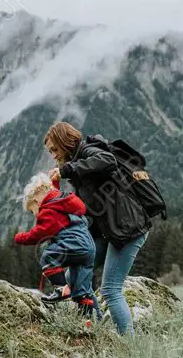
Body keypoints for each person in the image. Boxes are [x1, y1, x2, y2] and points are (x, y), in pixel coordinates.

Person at [45, 121, 151, 336]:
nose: (54, 156)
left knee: (111, 290)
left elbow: (107, 160)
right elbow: (91, 204)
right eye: (50, 152)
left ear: (65, 142)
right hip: (108, 229)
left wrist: (66, 170)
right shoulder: (77, 165)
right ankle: (101, 331)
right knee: (74, 278)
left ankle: (130, 349)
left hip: (128, 228)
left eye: (55, 149)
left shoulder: (88, 152)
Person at [14, 172, 98, 317]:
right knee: (81, 290)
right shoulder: (62, 202)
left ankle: (60, 289)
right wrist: (55, 183)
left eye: (32, 210)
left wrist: (21, 237)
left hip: (75, 244)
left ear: (36, 200)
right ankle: (90, 321)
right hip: (88, 249)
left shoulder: (48, 211)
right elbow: (54, 194)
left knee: (48, 257)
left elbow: (40, 233)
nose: (34, 214)